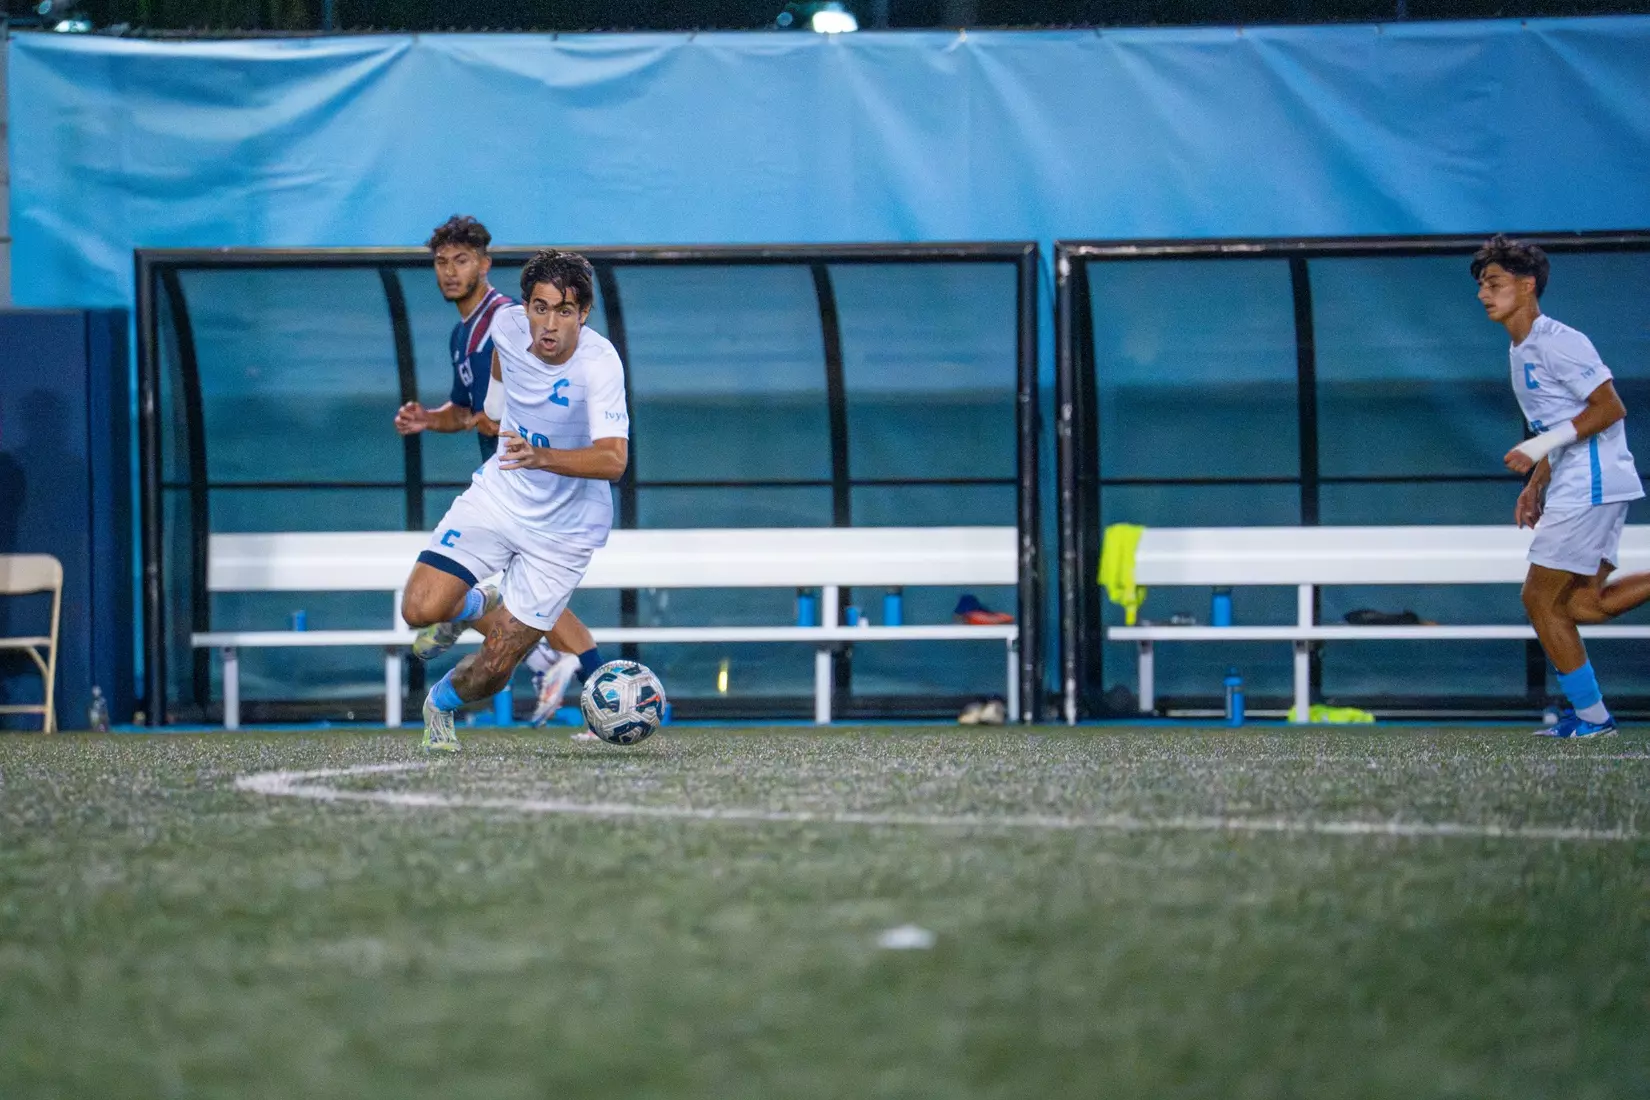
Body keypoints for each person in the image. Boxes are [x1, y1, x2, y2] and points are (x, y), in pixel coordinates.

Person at [401, 249, 629, 751]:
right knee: (419, 609)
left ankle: (439, 702)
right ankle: (478, 601)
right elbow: (503, 360)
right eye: (540, 308)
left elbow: (614, 460)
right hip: (501, 496)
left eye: (564, 311)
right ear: (524, 306)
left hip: (565, 532)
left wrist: (542, 456)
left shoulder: (599, 362)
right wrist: (494, 408)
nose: (549, 324)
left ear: (583, 314)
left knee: (496, 666)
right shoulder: (505, 325)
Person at [1474, 234, 1650, 738]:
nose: (1484, 294)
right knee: (1581, 606)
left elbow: (1610, 407)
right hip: (1582, 481)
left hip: (1592, 483)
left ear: (1527, 286)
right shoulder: (1519, 348)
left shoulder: (1559, 341)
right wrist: (1536, 482)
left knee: (1539, 599)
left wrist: (1534, 452)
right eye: (1482, 285)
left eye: (1495, 283)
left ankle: (1593, 720)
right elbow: (1561, 424)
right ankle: (1591, 716)